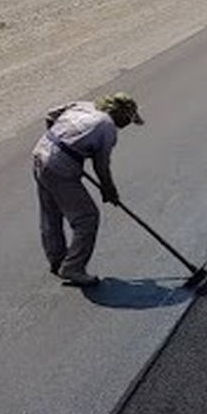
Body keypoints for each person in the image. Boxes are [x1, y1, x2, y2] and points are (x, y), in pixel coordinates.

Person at [32, 92, 144, 286]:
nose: (126, 124)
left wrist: (61, 144)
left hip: (40, 155)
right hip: (60, 168)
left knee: (51, 213)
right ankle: (73, 267)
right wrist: (110, 192)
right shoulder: (108, 128)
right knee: (87, 218)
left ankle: (57, 259)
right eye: (128, 119)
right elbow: (101, 167)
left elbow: (50, 116)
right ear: (121, 114)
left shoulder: (83, 105)